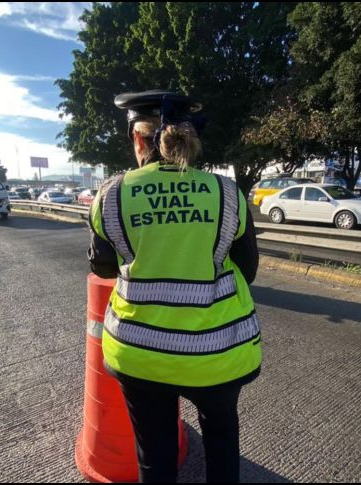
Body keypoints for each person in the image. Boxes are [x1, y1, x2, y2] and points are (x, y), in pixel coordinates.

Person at [87, 90, 261, 483]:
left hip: (139, 352)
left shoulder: (111, 194)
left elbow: (102, 266)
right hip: (218, 352)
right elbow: (248, 270)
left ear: (137, 139)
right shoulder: (227, 193)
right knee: (221, 443)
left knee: (156, 455)